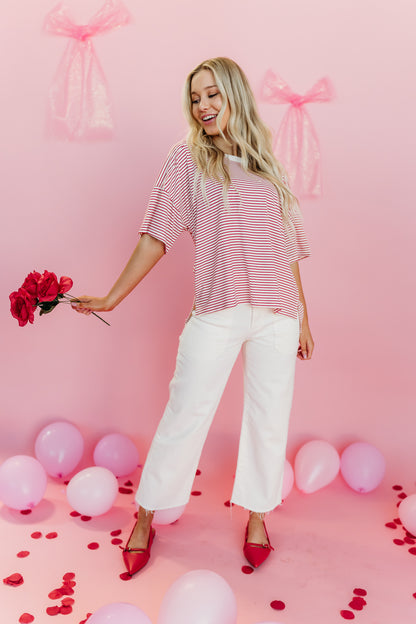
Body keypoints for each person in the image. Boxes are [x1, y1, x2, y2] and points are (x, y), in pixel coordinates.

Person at [72, 56, 314, 575]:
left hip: (278, 313)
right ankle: (144, 518)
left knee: (269, 422)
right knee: (184, 414)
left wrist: (304, 316)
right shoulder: (186, 160)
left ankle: (256, 517)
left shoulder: (269, 160)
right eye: (196, 97)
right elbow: (156, 234)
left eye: (213, 95)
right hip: (218, 310)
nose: (203, 106)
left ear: (235, 96)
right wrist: (115, 297)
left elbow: (286, 246)